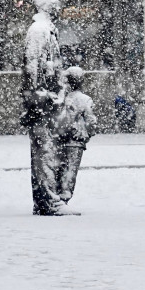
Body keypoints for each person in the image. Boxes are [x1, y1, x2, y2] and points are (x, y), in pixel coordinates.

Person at [21, 0, 77, 216]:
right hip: (42, 103)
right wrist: (39, 95)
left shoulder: (47, 30)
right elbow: (32, 66)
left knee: (46, 152)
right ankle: (48, 201)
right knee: (44, 153)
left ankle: (44, 200)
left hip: (46, 101)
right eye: (54, 2)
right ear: (45, 5)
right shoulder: (39, 31)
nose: (58, 5)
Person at [53, 66, 97, 205]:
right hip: (76, 140)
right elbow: (90, 121)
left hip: (59, 139)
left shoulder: (60, 99)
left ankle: (56, 195)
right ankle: (65, 197)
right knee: (70, 171)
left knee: (58, 168)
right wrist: (88, 134)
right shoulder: (85, 99)